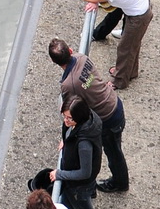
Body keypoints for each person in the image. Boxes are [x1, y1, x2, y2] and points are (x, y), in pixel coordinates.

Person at [48, 39, 128, 193]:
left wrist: (66, 137)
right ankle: (119, 181)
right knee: (115, 149)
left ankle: (120, 183)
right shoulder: (82, 58)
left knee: (114, 153)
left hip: (107, 118)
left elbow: (70, 110)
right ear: (70, 50)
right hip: (114, 103)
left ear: (53, 61)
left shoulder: (68, 85)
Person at [32, 97, 105, 209]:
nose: (66, 121)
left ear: (79, 116)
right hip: (73, 184)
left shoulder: (84, 144)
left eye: (69, 118)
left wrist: (60, 174)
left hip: (79, 187)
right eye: (64, 116)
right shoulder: (84, 123)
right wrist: (66, 141)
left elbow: (85, 172)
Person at [82, 0, 153, 91]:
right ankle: (130, 71)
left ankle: (119, 81)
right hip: (142, 5)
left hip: (138, 16)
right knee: (133, 44)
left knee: (125, 48)